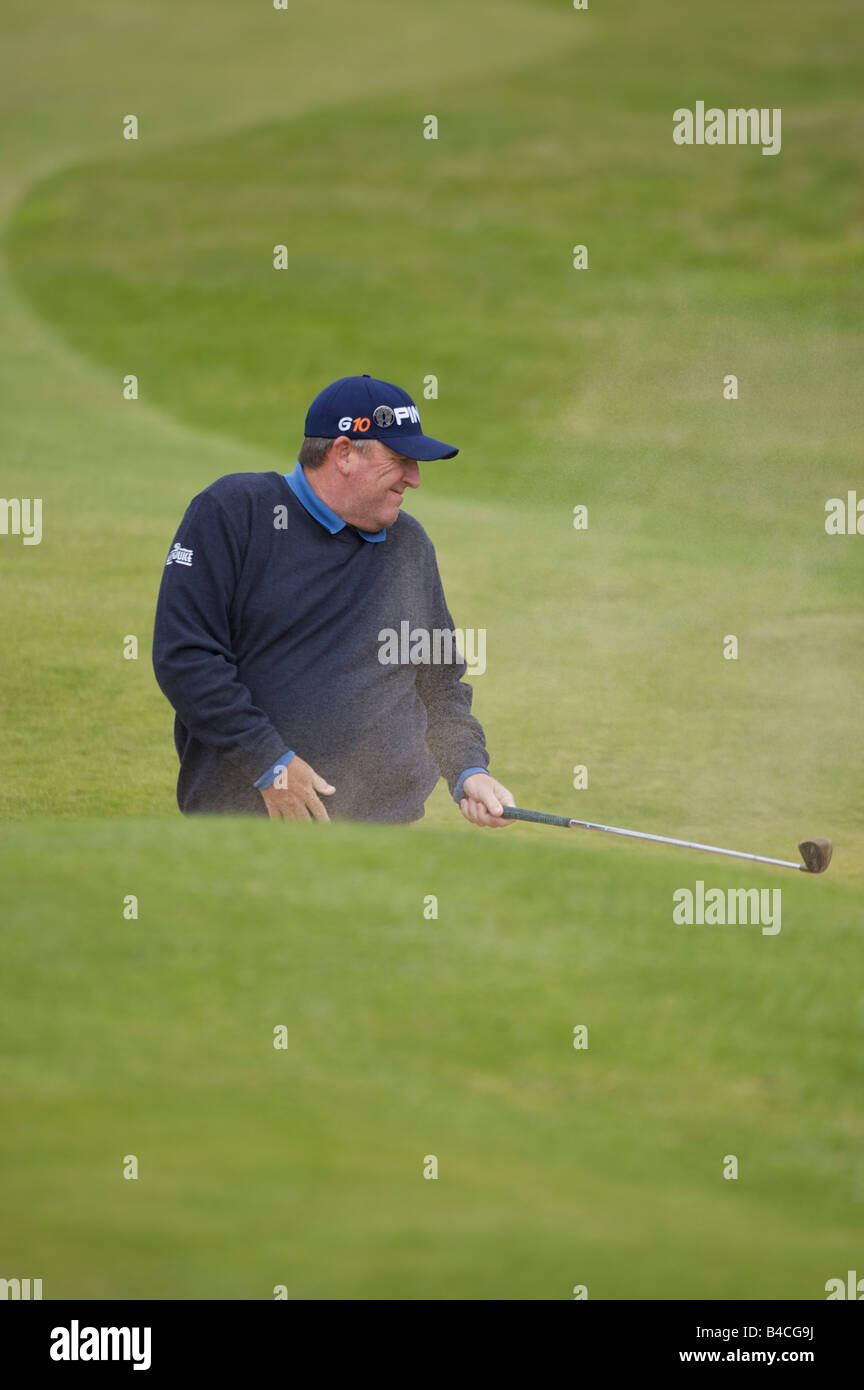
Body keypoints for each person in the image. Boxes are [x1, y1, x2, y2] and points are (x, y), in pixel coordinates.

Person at [152, 374, 515, 828]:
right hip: (249, 828)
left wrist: (467, 769)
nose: (415, 479)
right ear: (344, 453)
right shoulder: (234, 513)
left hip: (385, 833)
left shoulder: (408, 545)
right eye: (401, 459)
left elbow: (438, 683)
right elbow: (186, 657)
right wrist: (271, 764)